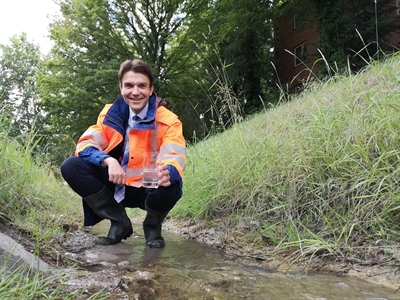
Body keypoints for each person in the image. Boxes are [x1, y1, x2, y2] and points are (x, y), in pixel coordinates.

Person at [60, 59, 186, 248]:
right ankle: (119, 222)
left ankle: (153, 227)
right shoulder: (109, 115)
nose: (135, 92)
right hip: (117, 183)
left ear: (151, 89)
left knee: (169, 181)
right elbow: (85, 144)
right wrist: (108, 160)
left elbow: (174, 153)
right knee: (71, 166)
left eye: (142, 86)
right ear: (121, 88)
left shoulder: (169, 121)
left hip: (149, 186)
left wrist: (168, 170)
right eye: (129, 86)